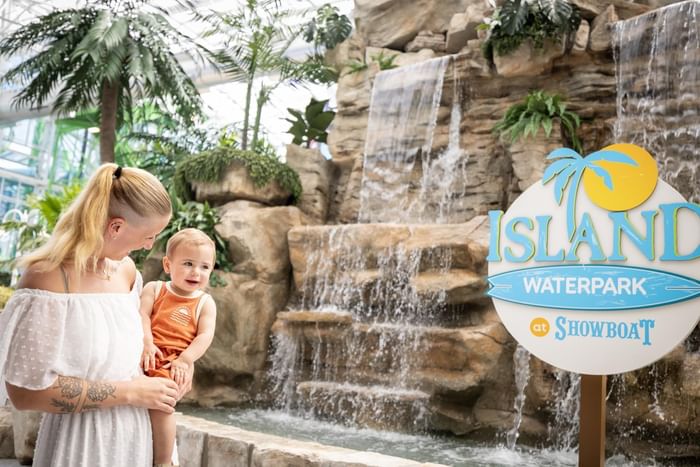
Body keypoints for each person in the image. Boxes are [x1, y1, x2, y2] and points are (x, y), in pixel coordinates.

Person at [0, 164, 192, 467]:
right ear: (115, 227)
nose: (149, 245)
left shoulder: (127, 272)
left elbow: (133, 358)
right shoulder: (47, 279)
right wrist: (131, 393)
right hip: (82, 446)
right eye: (148, 235)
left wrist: (171, 373)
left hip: (138, 438)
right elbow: (25, 393)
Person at [139, 228, 217, 467]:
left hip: (173, 362)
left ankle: (163, 461)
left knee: (162, 406)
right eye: (188, 263)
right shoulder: (155, 289)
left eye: (204, 267)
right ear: (167, 264)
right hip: (145, 351)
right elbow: (141, 315)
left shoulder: (204, 302)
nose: (196, 272)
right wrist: (147, 342)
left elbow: (205, 335)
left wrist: (186, 359)